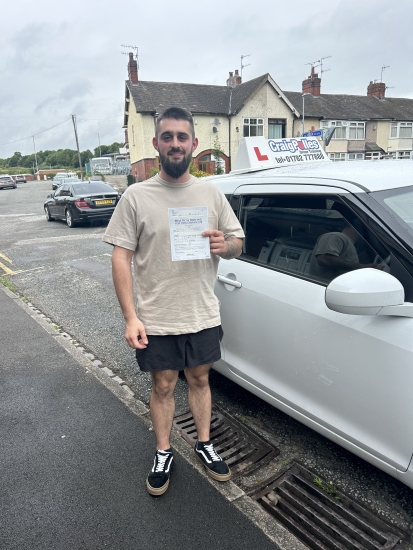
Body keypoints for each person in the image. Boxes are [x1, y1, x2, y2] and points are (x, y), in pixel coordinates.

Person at [103, 107, 244, 496]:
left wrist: (225, 245)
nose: (176, 144)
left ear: (194, 144)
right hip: (157, 317)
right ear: (156, 144)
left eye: (183, 137)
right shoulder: (136, 196)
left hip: (200, 312)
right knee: (163, 387)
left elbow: (237, 242)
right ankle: (163, 451)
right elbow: (120, 257)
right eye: (168, 137)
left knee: (200, 379)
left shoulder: (210, 192)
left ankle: (204, 443)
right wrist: (130, 317)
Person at [309, 223, 382, 282]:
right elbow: (324, 259)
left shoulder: (351, 244)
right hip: (325, 290)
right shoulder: (337, 236)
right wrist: (364, 267)